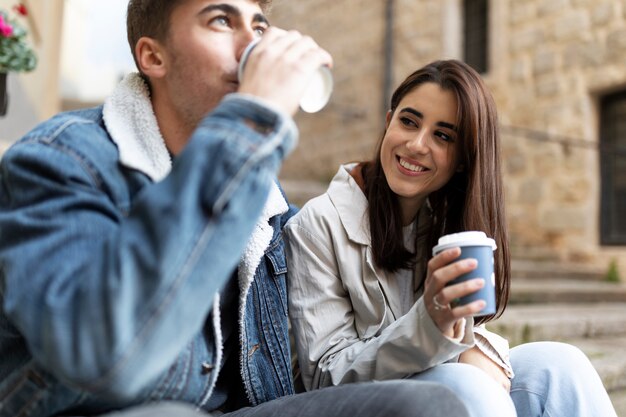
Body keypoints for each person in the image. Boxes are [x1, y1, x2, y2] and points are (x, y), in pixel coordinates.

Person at [0, 1, 475, 417]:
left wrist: (453, 335)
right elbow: (100, 358)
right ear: (153, 56)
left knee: (437, 404)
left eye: (261, 26)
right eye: (222, 20)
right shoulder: (64, 160)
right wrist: (251, 123)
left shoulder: (265, 204)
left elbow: (333, 346)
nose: (254, 46)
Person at [285, 59, 618, 417]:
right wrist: (435, 329)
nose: (416, 144)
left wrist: (471, 345)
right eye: (409, 121)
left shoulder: (439, 223)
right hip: (357, 406)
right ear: (388, 122)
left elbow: (455, 338)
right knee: (468, 386)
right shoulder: (317, 224)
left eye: (443, 136)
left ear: (462, 160)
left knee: (559, 364)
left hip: (427, 385)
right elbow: (323, 375)